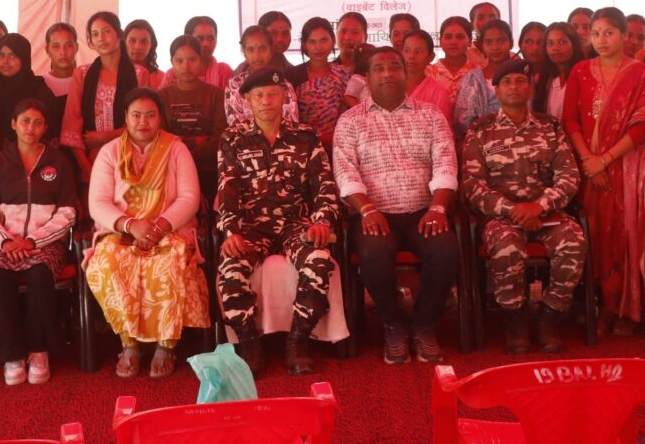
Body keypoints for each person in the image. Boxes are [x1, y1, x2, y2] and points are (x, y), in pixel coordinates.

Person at [333, 47, 458, 364]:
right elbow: (345, 172)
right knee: (373, 254)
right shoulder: (350, 121)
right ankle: (393, 323)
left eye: (394, 67)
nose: (387, 73)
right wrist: (367, 210)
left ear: (405, 73)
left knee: (445, 250)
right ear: (367, 77)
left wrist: (438, 208)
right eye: (379, 69)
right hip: (373, 213)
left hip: (424, 211)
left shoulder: (431, 115)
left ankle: (424, 323)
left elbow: (446, 163)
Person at [217, 69, 339, 376]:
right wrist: (231, 231)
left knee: (319, 260)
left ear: (285, 96)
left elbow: (324, 184)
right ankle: (249, 343)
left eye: (272, 94)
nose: (266, 101)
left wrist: (322, 221)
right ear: (247, 100)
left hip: (295, 223)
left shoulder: (306, 136)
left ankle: (298, 340)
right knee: (230, 268)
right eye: (258, 95)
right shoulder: (233, 138)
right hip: (250, 226)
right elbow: (227, 189)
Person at [460, 59, 585, 355]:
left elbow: (569, 177)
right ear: (497, 90)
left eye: (520, 81)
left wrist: (538, 207)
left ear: (529, 88)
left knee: (574, 242)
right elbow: (472, 185)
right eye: (507, 82)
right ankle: (515, 320)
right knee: (506, 246)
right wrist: (513, 210)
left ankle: (549, 317)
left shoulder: (549, 127)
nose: (514, 87)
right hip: (501, 217)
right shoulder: (481, 130)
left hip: (547, 214)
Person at [85, 89, 209, 378]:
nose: (143, 122)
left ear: (160, 118)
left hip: (169, 229)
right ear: (126, 118)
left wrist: (160, 225)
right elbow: (97, 203)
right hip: (121, 230)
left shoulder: (176, 149)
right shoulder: (110, 152)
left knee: (170, 261)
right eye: (136, 115)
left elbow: (189, 197)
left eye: (150, 115)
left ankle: (166, 345)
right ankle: (129, 344)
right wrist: (130, 225)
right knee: (108, 263)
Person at [562, 7, 645, 336]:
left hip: (625, 168)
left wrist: (605, 160)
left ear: (624, 35)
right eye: (595, 33)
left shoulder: (642, 74)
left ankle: (626, 309)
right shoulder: (581, 71)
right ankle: (600, 306)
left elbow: (643, 124)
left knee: (624, 236)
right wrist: (588, 160)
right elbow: (570, 120)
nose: (601, 40)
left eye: (608, 33)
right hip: (588, 169)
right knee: (596, 237)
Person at [0, 99, 77, 386]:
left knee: (40, 276)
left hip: (46, 244)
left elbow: (68, 212)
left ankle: (39, 351)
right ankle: (12, 355)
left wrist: (34, 241)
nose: (30, 128)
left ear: (45, 127)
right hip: (3, 245)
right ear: (13, 124)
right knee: (0, 280)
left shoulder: (58, 163)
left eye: (37, 122)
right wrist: (6, 241)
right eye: (25, 121)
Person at [61, 12, 149, 180]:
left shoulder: (139, 74)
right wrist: (85, 167)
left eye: (106, 31)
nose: (101, 38)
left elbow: (145, 122)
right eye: (95, 34)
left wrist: (107, 136)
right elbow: (71, 125)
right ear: (91, 41)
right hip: (92, 159)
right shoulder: (83, 74)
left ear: (119, 34)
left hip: (131, 159)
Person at [160, 36, 227, 203]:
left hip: (209, 170)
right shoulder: (162, 96)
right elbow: (160, 136)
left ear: (201, 61)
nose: (186, 66)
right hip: (172, 170)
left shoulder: (216, 95)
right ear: (172, 62)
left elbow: (220, 137)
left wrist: (185, 149)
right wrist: (197, 140)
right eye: (179, 61)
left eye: (192, 60)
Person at [0, 33, 62, 149]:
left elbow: (48, 139)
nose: (6, 61)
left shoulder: (40, 94)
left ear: (24, 58)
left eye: (13, 55)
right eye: (1, 55)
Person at [286, 17, 349, 149]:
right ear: (304, 45)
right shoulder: (293, 76)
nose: (319, 47)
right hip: (305, 147)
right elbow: (288, 121)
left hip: (340, 144)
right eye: (312, 42)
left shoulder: (343, 74)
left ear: (333, 40)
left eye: (323, 40)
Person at [224, 25, 299, 126]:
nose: (257, 56)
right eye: (250, 50)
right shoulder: (234, 85)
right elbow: (236, 125)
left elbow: (291, 124)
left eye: (262, 48)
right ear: (244, 52)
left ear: (271, 50)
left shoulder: (283, 84)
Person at [453, 19, 513, 139]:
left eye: (501, 41)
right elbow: (462, 123)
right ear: (482, 46)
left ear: (511, 43)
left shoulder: (522, 77)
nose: (495, 47)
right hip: (479, 144)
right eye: (488, 42)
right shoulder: (472, 79)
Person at [161, 17, 232, 91]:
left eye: (210, 38)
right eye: (199, 39)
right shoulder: (172, 75)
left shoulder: (224, 72)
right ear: (186, 40)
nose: (206, 44)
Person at [532, 21, 584, 119]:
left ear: (574, 44)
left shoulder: (584, 76)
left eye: (562, 42)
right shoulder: (542, 78)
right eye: (550, 43)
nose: (555, 48)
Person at [401, 30, 452, 123]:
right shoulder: (391, 86)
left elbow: (443, 128)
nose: (411, 56)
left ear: (431, 57)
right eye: (407, 51)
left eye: (418, 51)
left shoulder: (438, 93)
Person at [427, 16, 473, 117]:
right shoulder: (428, 73)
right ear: (440, 41)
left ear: (470, 41)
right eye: (448, 37)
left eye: (460, 37)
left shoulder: (478, 73)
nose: (453, 42)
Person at [124, 19, 165, 90]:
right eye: (132, 41)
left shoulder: (163, 79)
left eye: (144, 41)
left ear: (151, 44)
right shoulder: (113, 74)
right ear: (124, 42)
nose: (137, 47)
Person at [43, 22, 79, 98]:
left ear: (77, 48)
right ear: (47, 50)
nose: (63, 52)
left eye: (68, 45)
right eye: (56, 46)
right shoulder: (39, 84)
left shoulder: (88, 82)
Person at [468, 2, 501, 68]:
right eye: (480, 18)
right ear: (472, 24)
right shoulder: (464, 56)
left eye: (492, 17)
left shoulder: (511, 57)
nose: (487, 22)